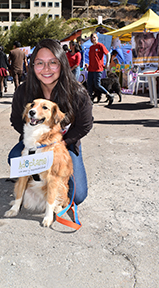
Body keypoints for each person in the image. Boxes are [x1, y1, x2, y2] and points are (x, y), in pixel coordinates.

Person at [8, 39, 93, 205]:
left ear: (62, 64)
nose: (46, 69)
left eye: (53, 62)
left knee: (77, 196)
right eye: (40, 63)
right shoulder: (23, 91)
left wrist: (59, 143)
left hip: (65, 143)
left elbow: (85, 125)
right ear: (32, 66)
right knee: (15, 158)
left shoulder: (78, 93)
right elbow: (16, 120)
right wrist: (35, 142)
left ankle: (48, 174)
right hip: (36, 144)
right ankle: (38, 177)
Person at [87, 33, 114, 105]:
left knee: (97, 85)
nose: (93, 39)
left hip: (98, 69)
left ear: (97, 38)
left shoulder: (100, 46)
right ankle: (90, 99)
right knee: (89, 84)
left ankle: (109, 95)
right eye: (92, 38)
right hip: (90, 69)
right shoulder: (91, 47)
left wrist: (107, 63)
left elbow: (108, 54)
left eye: (94, 37)